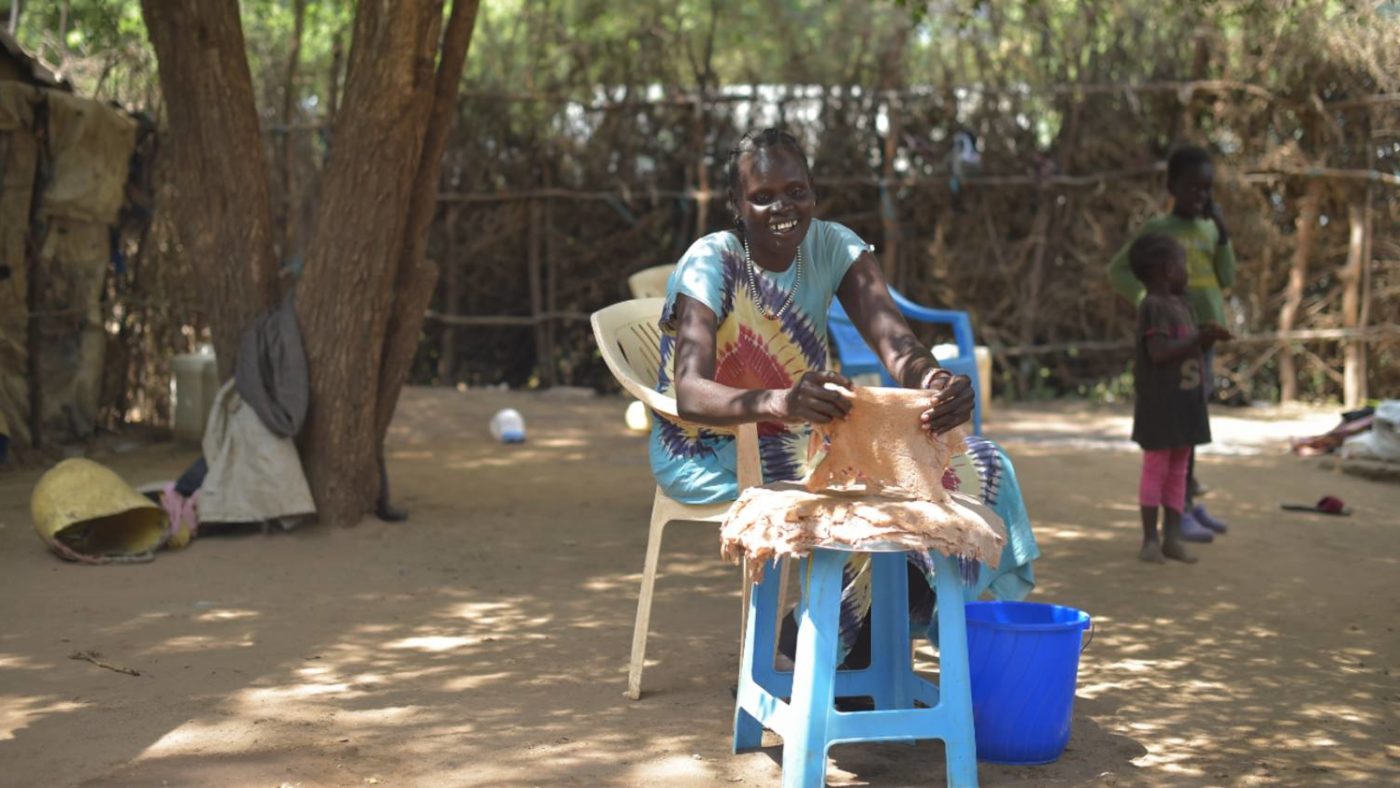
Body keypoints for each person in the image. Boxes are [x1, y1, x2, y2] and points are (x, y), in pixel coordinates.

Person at [650, 128, 1038, 668]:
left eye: (797, 191)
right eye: (763, 196)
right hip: (710, 446)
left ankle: (836, 638)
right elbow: (689, 391)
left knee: (982, 466)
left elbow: (897, 343)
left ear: (813, 192)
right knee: (872, 490)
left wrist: (934, 382)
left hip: (803, 435)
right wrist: (782, 403)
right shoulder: (710, 260)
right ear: (736, 204)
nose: (783, 207)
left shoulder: (832, 246)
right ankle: (838, 651)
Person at [1107, 145, 1237, 540]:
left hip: (1200, 340)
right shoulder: (1158, 230)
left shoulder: (1211, 229)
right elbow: (1118, 270)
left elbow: (1227, 277)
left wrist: (1223, 233)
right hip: (1172, 340)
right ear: (1172, 187)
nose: (1201, 196)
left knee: (1192, 421)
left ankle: (1187, 505)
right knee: (1175, 423)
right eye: (1193, 188)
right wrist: (1148, 300)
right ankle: (1176, 513)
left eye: (1207, 189)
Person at [1128, 234, 1232, 564]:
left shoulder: (1183, 305)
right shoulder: (1153, 307)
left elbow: (1188, 349)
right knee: (1157, 470)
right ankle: (1150, 540)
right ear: (1166, 270)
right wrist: (1198, 338)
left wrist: (1207, 337)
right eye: (1183, 265)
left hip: (1187, 404)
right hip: (1161, 407)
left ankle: (1172, 537)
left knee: (1179, 471)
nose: (1187, 272)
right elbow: (1158, 353)